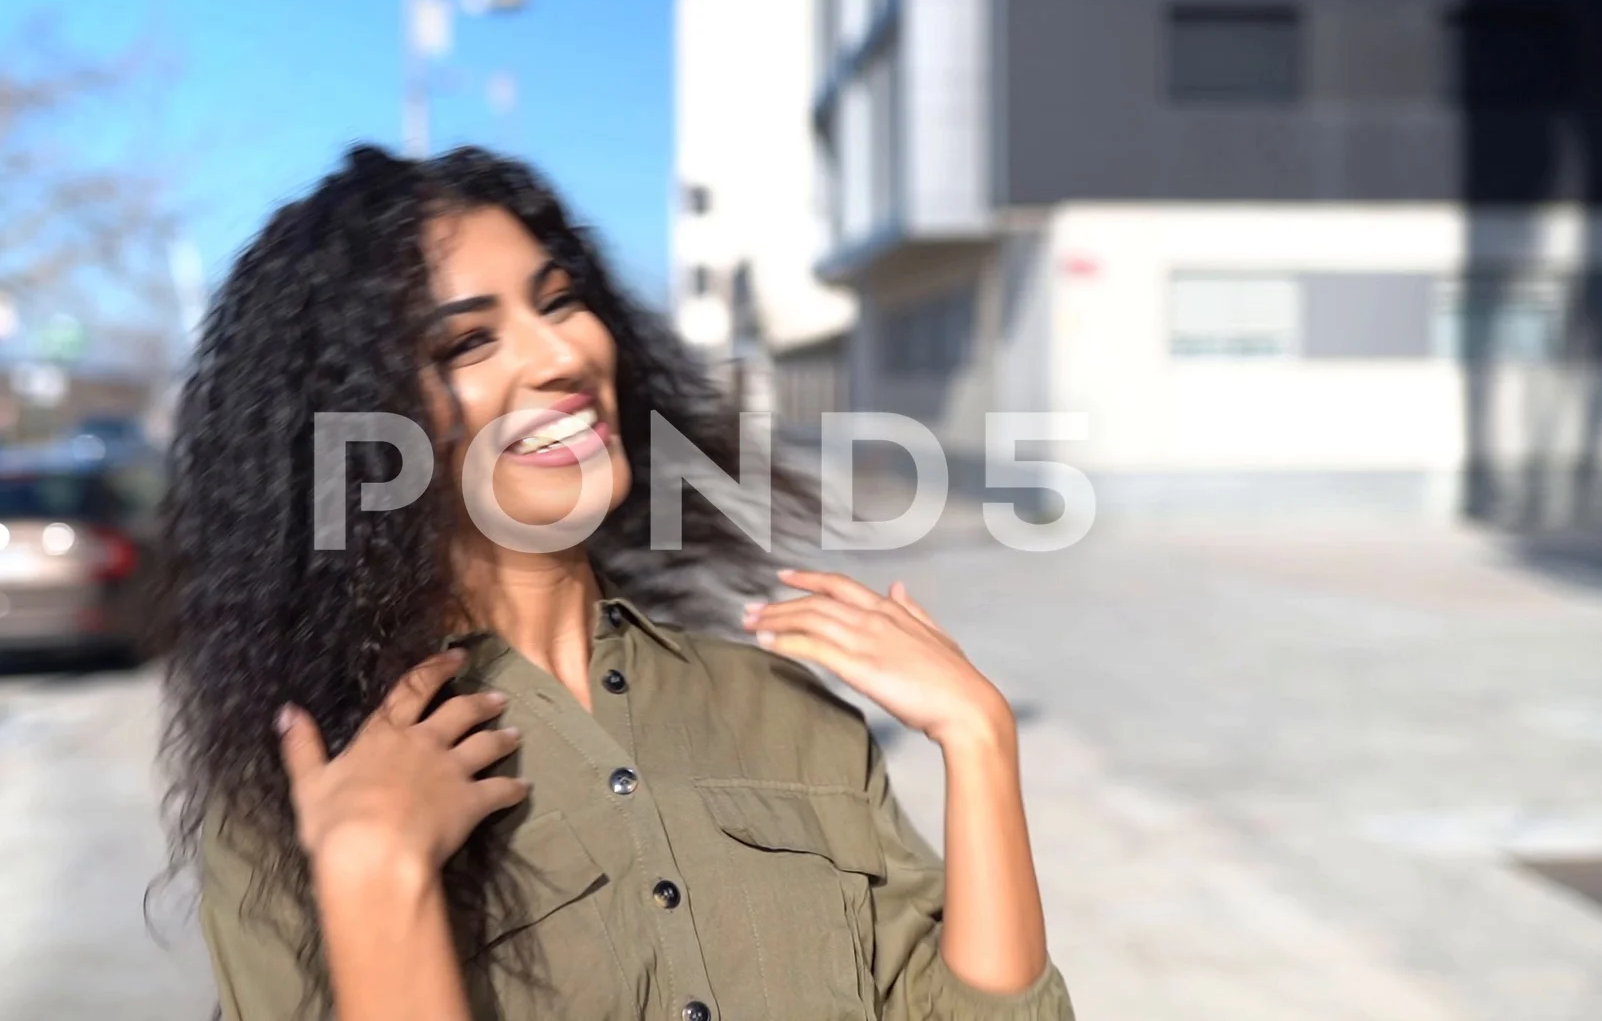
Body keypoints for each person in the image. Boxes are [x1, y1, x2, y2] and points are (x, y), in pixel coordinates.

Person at [158, 144, 1075, 1021]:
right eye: (468, 342)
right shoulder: (324, 785)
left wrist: (979, 741)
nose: (562, 356)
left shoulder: (783, 711)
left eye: (558, 302)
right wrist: (375, 875)